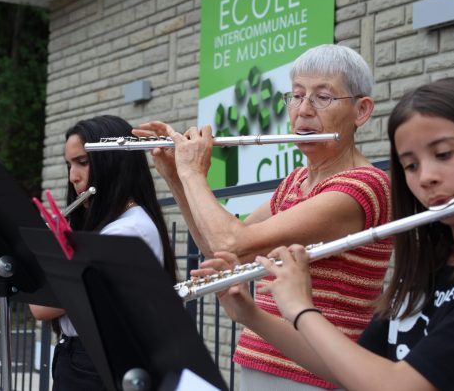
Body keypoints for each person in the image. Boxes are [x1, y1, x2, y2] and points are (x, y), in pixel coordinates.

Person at [208, 77, 454, 390]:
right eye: (411, 165)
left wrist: (302, 308)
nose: (425, 177)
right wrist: (250, 314)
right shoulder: (429, 272)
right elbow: (349, 368)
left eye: (443, 154)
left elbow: (400, 385)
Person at [136, 44, 393, 389]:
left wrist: (194, 173)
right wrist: (176, 177)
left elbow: (234, 242)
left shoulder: (364, 186)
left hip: (319, 375)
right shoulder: (295, 182)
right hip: (260, 361)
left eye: (323, 97)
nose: (303, 110)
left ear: (361, 111)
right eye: (297, 95)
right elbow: (221, 251)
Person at [29, 115, 177, 391]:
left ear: (113, 162)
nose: (73, 177)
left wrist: (44, 251)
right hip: (78, 357)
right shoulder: (107, 227)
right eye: (69, 165)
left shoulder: (128, 231)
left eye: (83, 163)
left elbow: (42, 306)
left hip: (97, 365)